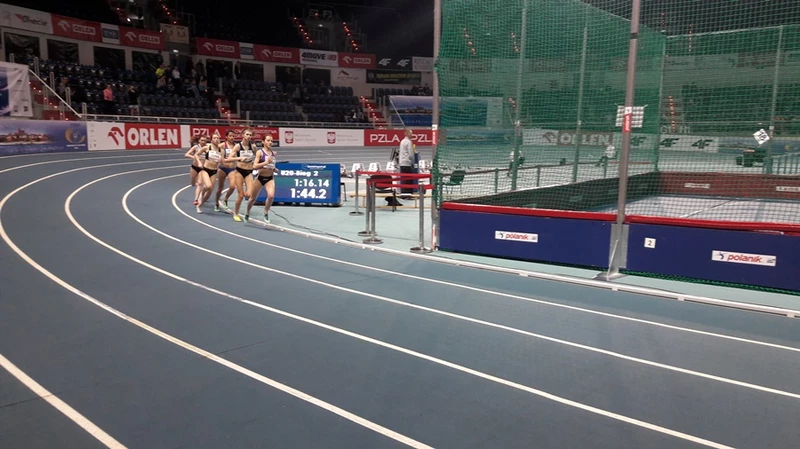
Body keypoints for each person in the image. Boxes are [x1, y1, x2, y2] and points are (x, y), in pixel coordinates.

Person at [224, 128, 256, 222]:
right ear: (243, 135)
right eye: (247, 134)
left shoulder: (253, 146)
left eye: (250, 135)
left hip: (249, 172)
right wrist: (239, 158)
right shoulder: (238, 146)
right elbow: (228, 159)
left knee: (249, 194)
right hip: (239, 172)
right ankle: (236, 214)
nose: (248, 136)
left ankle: (246, 211)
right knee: (240, 195)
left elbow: (258, 156)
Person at [244, 135, 278, 223]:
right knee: (252, 198)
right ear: (263, 141)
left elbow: (271, 165)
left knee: (271, 196)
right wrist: (265, 162)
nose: (270, 142)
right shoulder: (260, 152)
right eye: (268, 140)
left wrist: (274, 169)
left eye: (271, 141)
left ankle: (266, 212)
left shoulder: (273, 153)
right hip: (260, 178)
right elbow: (255, 166)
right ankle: (247, 212)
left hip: (270, 178)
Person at [194, 133, 223, 213]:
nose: (216, 140)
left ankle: (199, 206)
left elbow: (223, 162)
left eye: (218, 138)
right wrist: (199, 162)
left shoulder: (221, 150)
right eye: (214, 138)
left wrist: (222, 161)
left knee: (209, 192)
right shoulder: (207, 147)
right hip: (206, 170)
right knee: (208, 185)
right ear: (211, 140)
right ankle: (202, 193)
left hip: (214, 171)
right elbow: (196, 155)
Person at [215, 130, 238, 212]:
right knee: (220, 188)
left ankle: (225, 199)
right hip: (222, 169)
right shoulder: (222, 145)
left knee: (232, 186)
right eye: (230, 136)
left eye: (233, 136)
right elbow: (215, 153)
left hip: (232, 169)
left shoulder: (236, 146)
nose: (232, 137)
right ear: (226, 137)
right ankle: (216, 203)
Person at [183, 136, 207, 205]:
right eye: (202, 140)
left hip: (202, 168)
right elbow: (186, 154)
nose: (203, 142)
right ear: (199, 141)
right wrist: (194, 157)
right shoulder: (196, 147)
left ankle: (196, 199)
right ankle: (193, 183)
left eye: (205, 141)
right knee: (193, 183)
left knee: (199, 183)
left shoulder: (207, 148)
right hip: (194, 167)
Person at [398, 129, 415, 196]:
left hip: (402, 163)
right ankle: (408, 194)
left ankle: (404, 193)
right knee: (409, 180)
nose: (412, 135)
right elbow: (411, 154)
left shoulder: (402, 141)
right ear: (408, 134)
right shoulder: (409, 142)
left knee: (404, 179)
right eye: (411, 133)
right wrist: (413, 163)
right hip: (407, 163)